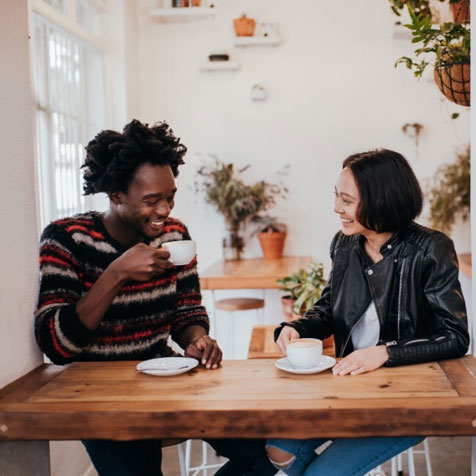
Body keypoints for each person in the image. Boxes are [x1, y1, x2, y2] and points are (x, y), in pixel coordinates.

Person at [34, 119, 277, 476]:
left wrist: (197, 340)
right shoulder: (66, 239)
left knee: (269, 451)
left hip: (168, 376)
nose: (165, 210)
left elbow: (187, 311)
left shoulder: (175, 236)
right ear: (116, 195)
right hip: (100, 395)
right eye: (152, 200)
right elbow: (57, 345)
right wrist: (116, 273)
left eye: (170, 197)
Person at [266, 149, 469, 476]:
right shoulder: (344, 243)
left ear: (381, 201)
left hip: (408, 398)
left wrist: (387, 353)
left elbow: (455, 338)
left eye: (347, 200)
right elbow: (329, 310)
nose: (336, 208)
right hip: (350, 386)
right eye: (337, 196)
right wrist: (297, 328)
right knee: (278, 448)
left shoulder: (431, 248)